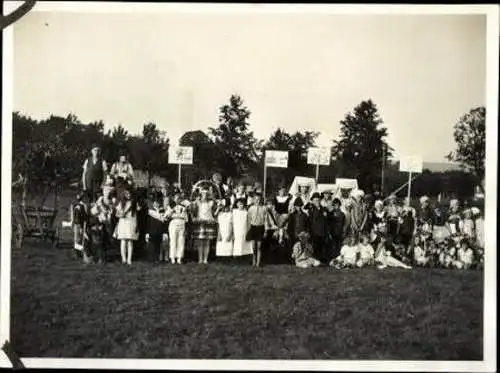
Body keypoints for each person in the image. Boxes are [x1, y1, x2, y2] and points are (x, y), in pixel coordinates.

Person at [191, 187, 220, 264]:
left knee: (207, 242)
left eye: (206, 195)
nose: (204, 196)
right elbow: (193, 210)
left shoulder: (210, 203)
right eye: (203, 195)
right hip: (200, 223)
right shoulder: (197, 203)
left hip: (208, 223)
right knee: (200, 242)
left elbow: (216, 203)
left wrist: (211, 194)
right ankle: (200, 259)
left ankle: (205, 259)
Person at [90, 180, 115, 263]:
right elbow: (94, 212)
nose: (108, 192)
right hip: (98, 222)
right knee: (98, 239)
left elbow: (110, 212)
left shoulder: (111, 202)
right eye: (106, 190)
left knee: (106, 238)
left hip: (106, 223)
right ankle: (99, 256)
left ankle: (104, 255)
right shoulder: (99, 201)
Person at [114, 188, 138, 265]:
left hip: (131, 222)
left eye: (129, 193)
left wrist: (136, 225)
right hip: (123, 222)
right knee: (123, 241)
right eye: (126, 194)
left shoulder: (134, 203)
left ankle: (129, 259)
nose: (128, 195)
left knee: (130, 241)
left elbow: (136, 215)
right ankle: (124, 259)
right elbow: (116, 214)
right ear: (124, 194)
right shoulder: (121, 203)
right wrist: (121, 215)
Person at [165, 191, 188, 264]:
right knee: (173, 240)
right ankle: (172, 257)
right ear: (174, 199)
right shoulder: (170, 206)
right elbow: (166, 217)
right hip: (173, 222)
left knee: (181, 241)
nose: (178, 200)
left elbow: (186, 218)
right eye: (177, 198)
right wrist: (171, 211)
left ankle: (179, 257)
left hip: (182, 222)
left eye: (180, 198)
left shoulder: (184, 207)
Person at [146, 192, 168, 263]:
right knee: (152, 245)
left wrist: (164, 232)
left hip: (159, 231)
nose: (156, 204)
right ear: (153, 204)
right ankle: (151, 259)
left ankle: (157, 259)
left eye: (158, 203)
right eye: (155, 203)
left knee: (158, 245)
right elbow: (148, 222)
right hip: (152, 230)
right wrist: (147, 232)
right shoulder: (150, 212)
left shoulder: (162, 212)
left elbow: (164, 222)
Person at [247, 193, 267, 267]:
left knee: (259, 246)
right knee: (253, 247)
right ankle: (253, 261)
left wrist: (266, 230)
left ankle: (258, 262)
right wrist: (248, 229)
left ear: (261, 200)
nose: (257, 201)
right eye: (256, 199)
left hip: (260, 227)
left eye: (259, 199)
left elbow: (266, 220)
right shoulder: (251, 208)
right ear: (253, 200)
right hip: (253, 227)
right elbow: (248, 219)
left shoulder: (264, 208)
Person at [308, 192, 328, 263]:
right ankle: (315, 259)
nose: (317, 202)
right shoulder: (311, 209)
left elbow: (326, 221)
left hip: (322, 231)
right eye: (315, 200)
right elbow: (310, 221)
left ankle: (322, 259)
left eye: (318, 200)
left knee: (322, 246)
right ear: (312, 201)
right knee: (315, 246)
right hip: (314, 231)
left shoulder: (324, 209)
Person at [70, 191, 89, 258]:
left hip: (80, 224)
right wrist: (81, 227)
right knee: (77, 240)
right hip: (78, 225)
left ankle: (79, 252)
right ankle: (77, 253)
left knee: (79, 239)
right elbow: (78, 218)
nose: (87, 200)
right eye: (86, 198)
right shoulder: (79, 206)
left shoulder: (81, 206)